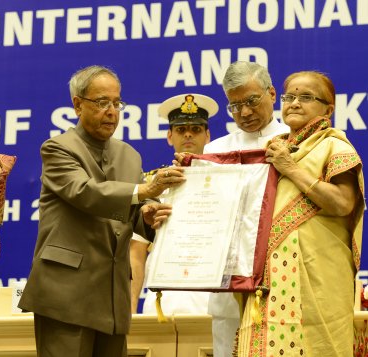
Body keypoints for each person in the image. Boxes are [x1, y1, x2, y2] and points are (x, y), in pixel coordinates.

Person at [17, 65, 184, 357]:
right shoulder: (57, 149)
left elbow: (128, 214)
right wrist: (145, 191)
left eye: (117, 103)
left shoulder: (129, 155)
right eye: (102, 102)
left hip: (113, 296)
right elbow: (85, 193)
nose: (112, 111)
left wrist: (144, 216)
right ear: (77, 104)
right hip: (67, 294)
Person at [236, 71, 364, 356]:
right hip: (270, 284)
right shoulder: (274, 150)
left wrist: (291, 169)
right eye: (289, 97)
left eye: (306, 97)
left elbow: (344, 203)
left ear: (328, 109)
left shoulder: (334, 145)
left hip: (318, 282)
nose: (294, 103)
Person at [202, 61, 289, 356]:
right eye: (235, 106)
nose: (245, 113)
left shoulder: (298, 140)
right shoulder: (215, 151)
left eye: (252, 101)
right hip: (230, 286)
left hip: (284, 281)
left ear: (272, 94)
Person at [130, 93, 218, 315]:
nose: (188, 134)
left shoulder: (224, 182)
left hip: (213, 293)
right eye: (180, 130)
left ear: (208, 135)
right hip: (163, 297)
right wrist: (130, 312)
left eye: (196, 129)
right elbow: (136, 253)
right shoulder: (152, 185)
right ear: (169, 136)